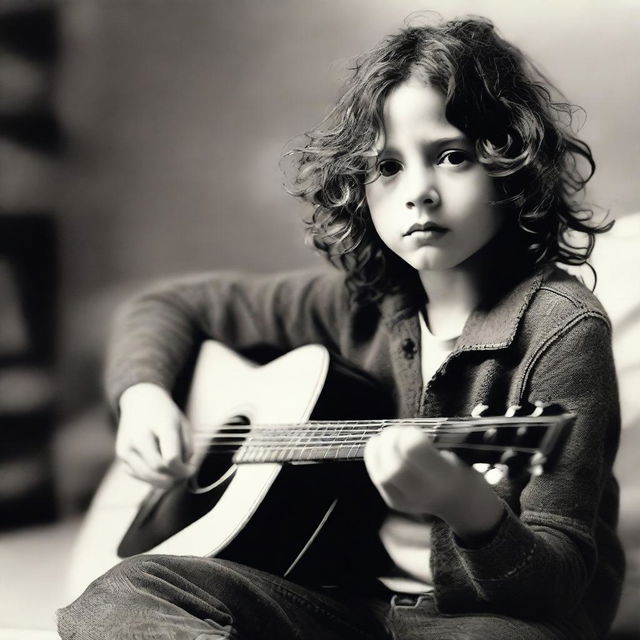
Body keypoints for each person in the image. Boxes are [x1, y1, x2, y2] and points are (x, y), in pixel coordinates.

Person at [57, 15, 624, 640]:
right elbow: (166, 307)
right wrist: (143, 397)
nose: (419, 193)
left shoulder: (561, 328)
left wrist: (467, 507)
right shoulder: (360, 300)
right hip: (341, 605)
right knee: (122, 594)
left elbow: (560, 582)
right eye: (387, 167)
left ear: (510, 162)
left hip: (482, 622)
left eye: (453, 156)